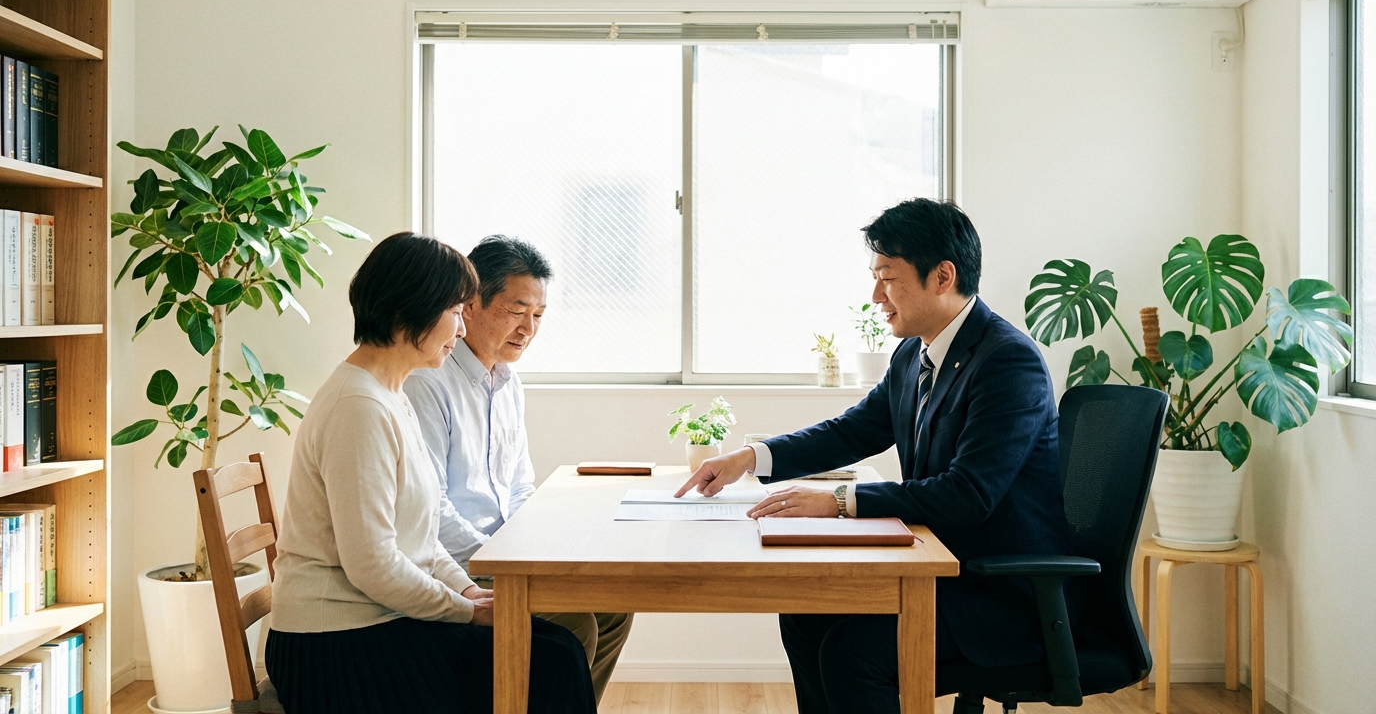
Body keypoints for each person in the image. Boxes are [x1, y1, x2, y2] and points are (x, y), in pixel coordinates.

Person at [677, 199, 1072, 714]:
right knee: (805, 612)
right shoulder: (915, 353)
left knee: (853, 651)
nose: (875, 296)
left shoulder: (1007, 362)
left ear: (942, 276)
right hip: (936, 569)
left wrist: (838, 500)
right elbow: (854, 430)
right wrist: (750, 458)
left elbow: (967, 494)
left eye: (887, 277)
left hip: (998, 594)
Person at [266, 232, 596, 714]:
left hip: (379, 620)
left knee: (555, 646)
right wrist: (465, 610)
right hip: (334, 643)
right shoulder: (358, 406)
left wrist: (465, 591)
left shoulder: (390, 394)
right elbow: (372, 563)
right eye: (456, 312)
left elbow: (423, 532)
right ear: (410, 313)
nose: (462, 329)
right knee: (551, 659)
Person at [404, 234, 632, 704]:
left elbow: (519, 486)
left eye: (539, 316)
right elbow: (430, 508)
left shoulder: (509, 383)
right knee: (572, 625)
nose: (528, 328)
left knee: (614, 607)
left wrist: (538, 545)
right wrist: (502, 559)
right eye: (516, 310)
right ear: (469, 306)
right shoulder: (429, 382)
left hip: (503, 553)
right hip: (460, 562)